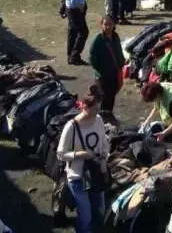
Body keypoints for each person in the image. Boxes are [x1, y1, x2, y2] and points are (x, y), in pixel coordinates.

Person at [57, 84, 109, 233]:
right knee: (85, 216)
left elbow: (104, 144)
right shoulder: (71, 127)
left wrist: (104, 159)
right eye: (94, 109)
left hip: (96, 174)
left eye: (98, 109)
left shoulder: (98, 119)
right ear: (84, 106)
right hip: (77, 177)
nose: (97, 113)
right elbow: (60, 154)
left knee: (99, 210)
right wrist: (80, 155)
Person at [88, 16, 125, 114]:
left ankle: (108, 117)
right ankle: (102, 119)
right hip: (102, 76)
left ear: (114, 25)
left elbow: (119, 51)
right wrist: (99, 70)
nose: (108, 27)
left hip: (114, 73)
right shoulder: (98, 39)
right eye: (105, 24)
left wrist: (122, 61)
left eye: (110, 24)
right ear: (101, 25)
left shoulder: (115, 36)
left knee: (111, 96)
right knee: (103, 99)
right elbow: (91, 57)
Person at [65, 0, 89, 65]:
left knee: (73, 32)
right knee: (83, 32)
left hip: (70, 9)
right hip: (75, 10)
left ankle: (70, 54)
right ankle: (75, 55)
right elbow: (75, 0)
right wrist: (81, 8)